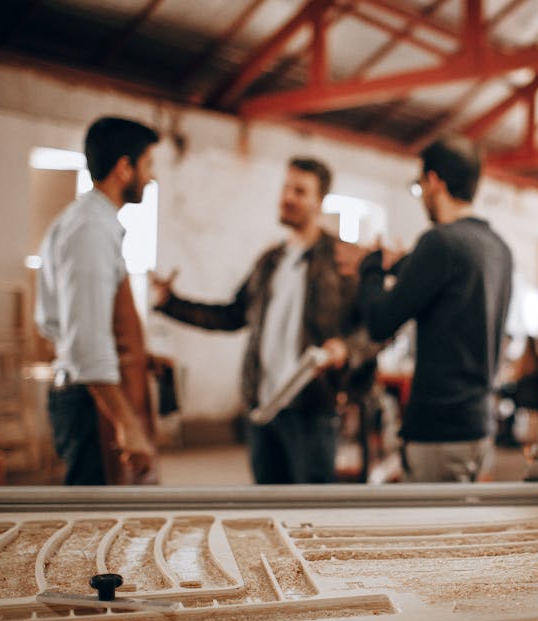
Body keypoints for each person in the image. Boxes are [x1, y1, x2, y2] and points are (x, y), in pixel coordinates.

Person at [151, 157, 378, 484]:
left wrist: (346, 348)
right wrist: (170, 304)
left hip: (312, 408)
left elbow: (377, 329)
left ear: (320, 200)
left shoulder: (342, 261)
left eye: (300, 191)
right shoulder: (270, 262)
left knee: (310, 513)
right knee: (266, 508)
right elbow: (232, 315)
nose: (288, 197)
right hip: (262, 409)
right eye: (286, 188)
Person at [338, 137, 513, 482]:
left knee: (437, 532)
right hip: (478, 426)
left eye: (420, 186)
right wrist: (399, 264)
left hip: (439, 430)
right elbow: (446, 285)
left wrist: (371, 267)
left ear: (434, 182)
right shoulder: (497, 249)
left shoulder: (440, 241)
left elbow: (379, 322)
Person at [35, 116, 159, 485]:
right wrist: (127, 425)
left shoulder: (93, 222)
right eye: (148, 165)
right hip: (91, 403)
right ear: (125, 168)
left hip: (93, 396)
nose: (151, 178)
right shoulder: (90, 229)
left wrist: (141, 355)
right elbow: (87, 341)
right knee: (94, 526)